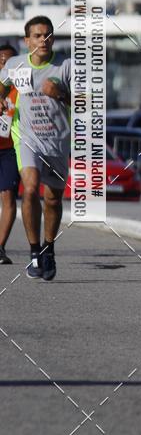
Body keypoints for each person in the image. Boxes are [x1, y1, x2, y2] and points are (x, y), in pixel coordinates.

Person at [0, 17, 71, 281]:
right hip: (27, 138)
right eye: (38, 36)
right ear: (27, 40)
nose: (43, 40)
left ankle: (48, 248)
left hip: (58, 141)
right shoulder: (16, 64)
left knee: (52, 199)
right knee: (29, 189)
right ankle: (34, 253)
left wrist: (60, 94)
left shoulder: (66, 66)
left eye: (48, 35)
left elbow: (88, 102)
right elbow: (2, 85)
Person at [0, 43, 19, 264]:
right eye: (2, 62)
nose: (6, 66)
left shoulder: (21, 89)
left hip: (10, 149)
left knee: (8, 195)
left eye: (11, 63)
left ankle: (0, 247)